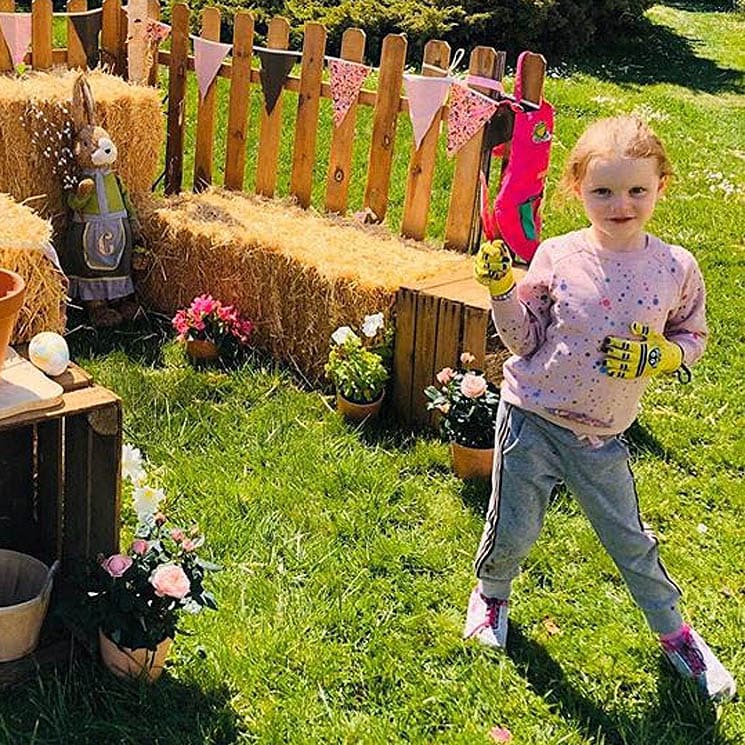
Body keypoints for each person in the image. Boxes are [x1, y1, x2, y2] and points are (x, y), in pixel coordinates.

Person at [465, 115, 736, 701]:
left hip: (602, 436)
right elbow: (525, 340)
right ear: (576, 190)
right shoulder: (558, 256)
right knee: (512, 528)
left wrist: (661, 357)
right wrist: (500, 292)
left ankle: (676, 633)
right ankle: (491, 595)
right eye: (603, 191)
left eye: (637, 189)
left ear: (662, 185)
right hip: (531, 418)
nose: (621, 204)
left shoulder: (675, 269)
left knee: (631, 541)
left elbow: (693, 337)